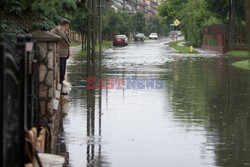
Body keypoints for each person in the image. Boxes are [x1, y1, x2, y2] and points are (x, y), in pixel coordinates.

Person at [50, 18, 71, 94]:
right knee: (61, 72)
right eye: (68, 25)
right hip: (61, 54)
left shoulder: (63, 31)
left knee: (62, 71)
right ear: (66, 25)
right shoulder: (57, 30)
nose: (68, 27)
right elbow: (50, 34)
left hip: (64, 55)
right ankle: (61, 90)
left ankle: (61, 89)